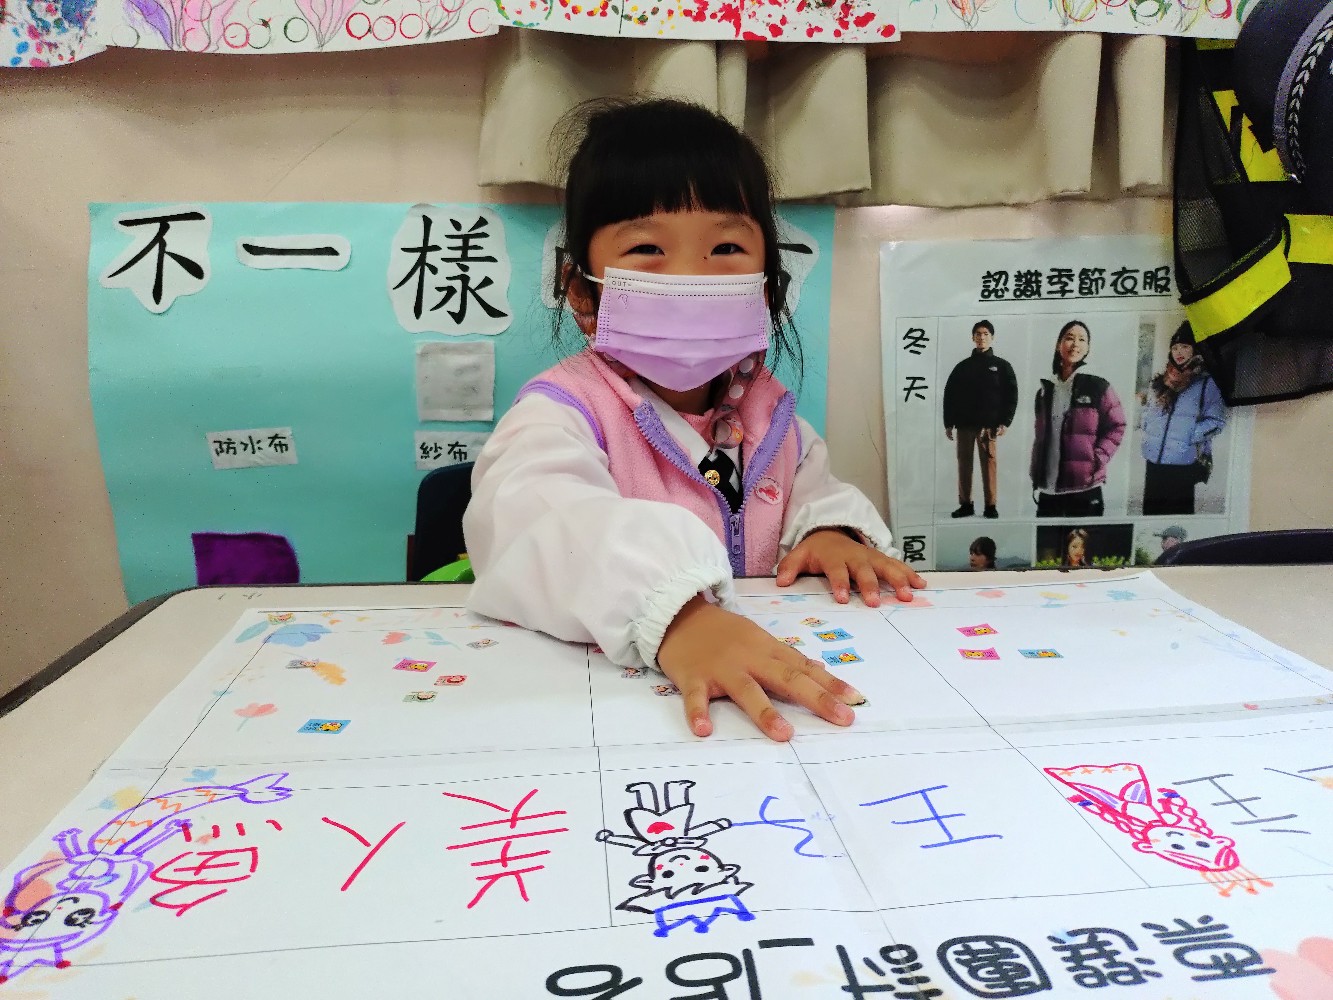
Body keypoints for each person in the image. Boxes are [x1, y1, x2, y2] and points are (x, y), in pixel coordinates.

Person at [464, 99, 926, 744]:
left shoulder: (769, 414)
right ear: (582, 291)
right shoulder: (562, 412)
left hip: (758, 705)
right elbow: (534, 519)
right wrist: (677, 615)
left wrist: (830, 532)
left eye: (726, 247)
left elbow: (811, 492)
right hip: (621, 713)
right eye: (647, 248)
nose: (688, 276)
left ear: (767, 286)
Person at [1030, 320, 1127, 518]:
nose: (1075, 344)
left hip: (1085, 489)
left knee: (1084, 539)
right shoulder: (1045, 390)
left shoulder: (1097, 386)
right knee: (1047, 540)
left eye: (1082, 339)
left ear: (1088, 348)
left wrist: (1097, 458)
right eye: (1069, 338)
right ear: (1058, 345)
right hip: (1049, 490)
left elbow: (1118, 425)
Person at [1138, 323, 1228, 516]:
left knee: (1177, 517)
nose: (1179, 352)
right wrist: (1147, 428)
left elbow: (1217, 422)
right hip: (1153, 462)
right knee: (1150, 516)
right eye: (1175, 347)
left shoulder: (1207, 383)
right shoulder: (1160, 381)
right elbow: (1148, 411)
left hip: (1182, 464)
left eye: (1185, 346)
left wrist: (1188, 436)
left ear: (1195, 350)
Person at [942, 320, 1018, 519]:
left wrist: (1005, 421)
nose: (981, 337)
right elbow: (950, 394)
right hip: (964, 425)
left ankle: (990, 506)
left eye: (985, 334)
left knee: (989, 465)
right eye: (978, 334)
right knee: (964, 465)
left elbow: (1011, 395)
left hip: (988, 426)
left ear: (992, 337)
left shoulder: (1002, 366)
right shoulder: (962, 367)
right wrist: (948, 423)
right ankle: (966, 504)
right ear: (972, 337)